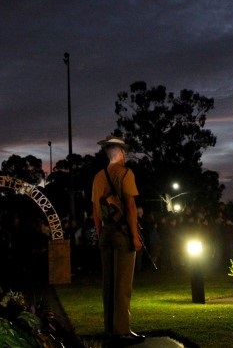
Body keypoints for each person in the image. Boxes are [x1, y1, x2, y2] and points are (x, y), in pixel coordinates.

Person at [92, 135, 145, 345]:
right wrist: (134, 235)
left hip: (105, 233)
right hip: (122, 233)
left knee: (109, 283)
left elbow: (95, 210)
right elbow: (131, 207)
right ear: (121, 153)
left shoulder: (98, 177)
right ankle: (122, 330)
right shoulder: (125, 173)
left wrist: (99, 233)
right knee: (122, 284)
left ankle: (110, 328)